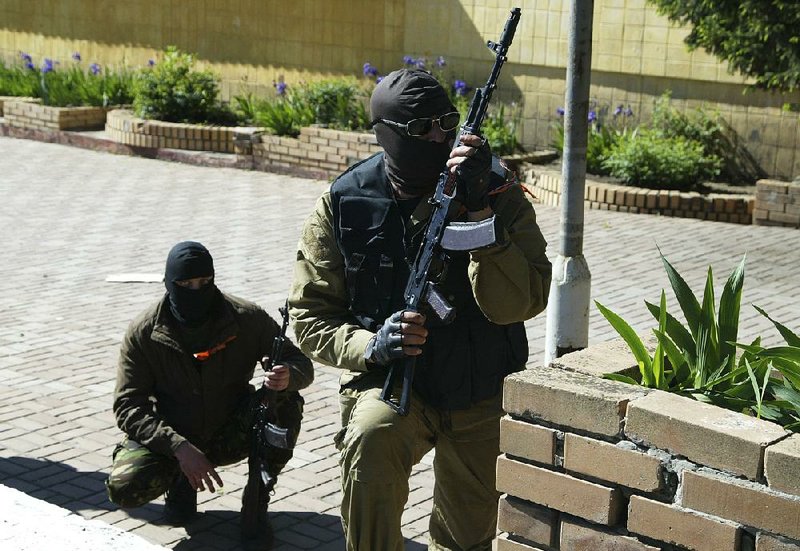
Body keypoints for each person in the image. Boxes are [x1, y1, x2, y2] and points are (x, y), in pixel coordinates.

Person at [289, 69, 552, 551]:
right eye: (421, 129)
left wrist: (479, 216)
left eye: (446, 122)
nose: (440, 136)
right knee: (371, 438)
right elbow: (308, 317)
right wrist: (372, 344)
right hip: (392, 381)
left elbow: (524, 302)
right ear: (387, 134)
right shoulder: (346, 201)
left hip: (478, 384)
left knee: (469, 533)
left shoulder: (495, 190)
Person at [107, 241, 313, 550]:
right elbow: (127, 406)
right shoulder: (145, 332)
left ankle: (257, 498)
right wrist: (178, 448)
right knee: (124, 487)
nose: (196, 290)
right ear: (168, 284)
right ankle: (179, 484)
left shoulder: (246, 317)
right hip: (174, 436)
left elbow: (301, 364)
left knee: (285, 402)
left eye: (204, 282)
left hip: (229, 430)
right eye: (185, 284)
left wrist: (286, 375)